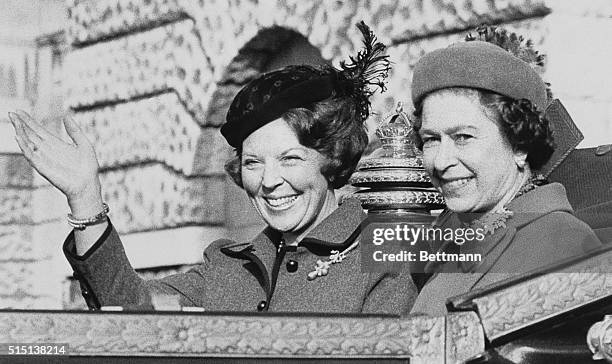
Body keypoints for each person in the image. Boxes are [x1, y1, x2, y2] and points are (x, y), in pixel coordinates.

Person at [8, 22, 416, 314]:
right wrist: (84, 197)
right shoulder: (228, 267)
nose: (270, 181)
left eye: (290, 159)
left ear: (332, 160)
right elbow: (130, 310)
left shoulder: (387, 253)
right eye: (253, 163)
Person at [408, 26, 602, 316]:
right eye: (431, 140)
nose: (440, 161)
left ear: (520, 145)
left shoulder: (563, 246)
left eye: (463, 137)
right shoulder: (453, 248)